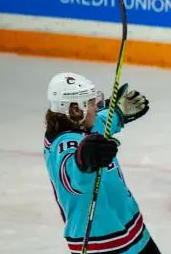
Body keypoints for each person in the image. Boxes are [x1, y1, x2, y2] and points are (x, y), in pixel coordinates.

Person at [43, 73, 154, 253]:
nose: (97, 107)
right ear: (75, 110)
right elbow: (73, 174)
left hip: (134, 234)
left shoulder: (86, 126)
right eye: (91, 103)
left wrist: (117, 112)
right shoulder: (62, 146)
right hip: (102, 245)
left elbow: (103, 121)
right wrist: (85, 159)